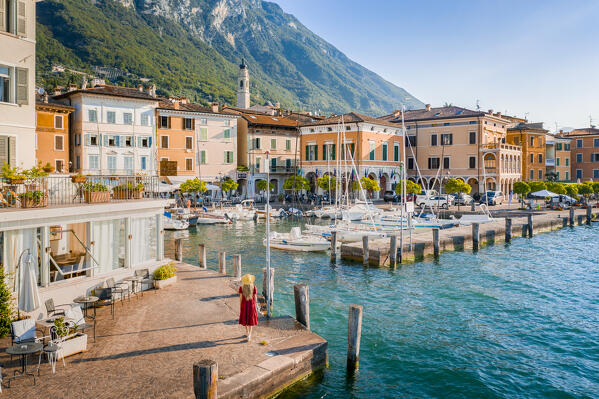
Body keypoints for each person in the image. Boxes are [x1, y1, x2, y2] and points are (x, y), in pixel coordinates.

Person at [238, 274, 258, 340]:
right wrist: (256, 305)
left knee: (245, 318)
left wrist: (240, 305)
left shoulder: (241, 288)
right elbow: (255, 298)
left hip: (244, 305)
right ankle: (249, 335)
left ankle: (247, 332)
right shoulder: (254, 287)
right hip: (251, 305)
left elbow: (240, 298)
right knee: (251, 319)